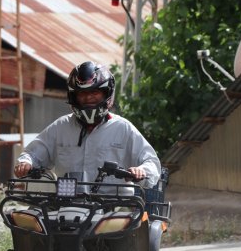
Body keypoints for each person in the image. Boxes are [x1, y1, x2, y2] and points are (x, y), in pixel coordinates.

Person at [14, 61, 161, 190]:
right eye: (81, 93)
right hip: (66, 205)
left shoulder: (123, 128)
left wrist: (141, 170)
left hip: (115, 208)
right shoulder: (60, 127)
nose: (88, 97)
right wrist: (26, 163)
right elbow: (33, 154)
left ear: (106, 93)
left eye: (95, 92)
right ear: (74, 96)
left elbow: (151, 162)